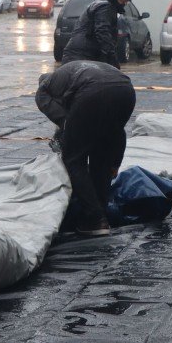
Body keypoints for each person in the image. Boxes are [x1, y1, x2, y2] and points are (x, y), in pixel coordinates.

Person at [35, 60, 136, 236]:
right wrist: (115, 163)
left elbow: (66, 123)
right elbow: (117, 133)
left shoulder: (43, 92)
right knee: (102, 155)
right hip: (126, 90)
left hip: (93, 93)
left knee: (74, 160)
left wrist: (67, 142)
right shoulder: (72, 72)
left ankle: (95, 219)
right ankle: (101, 213)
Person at [61, 0, 133, 69]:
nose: (124, 3)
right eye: (123, 0)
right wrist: (112, 57)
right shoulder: (104, 7)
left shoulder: (105, 5)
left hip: (83, 54)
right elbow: (102, 32)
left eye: (126, 1)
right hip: (81, 55)